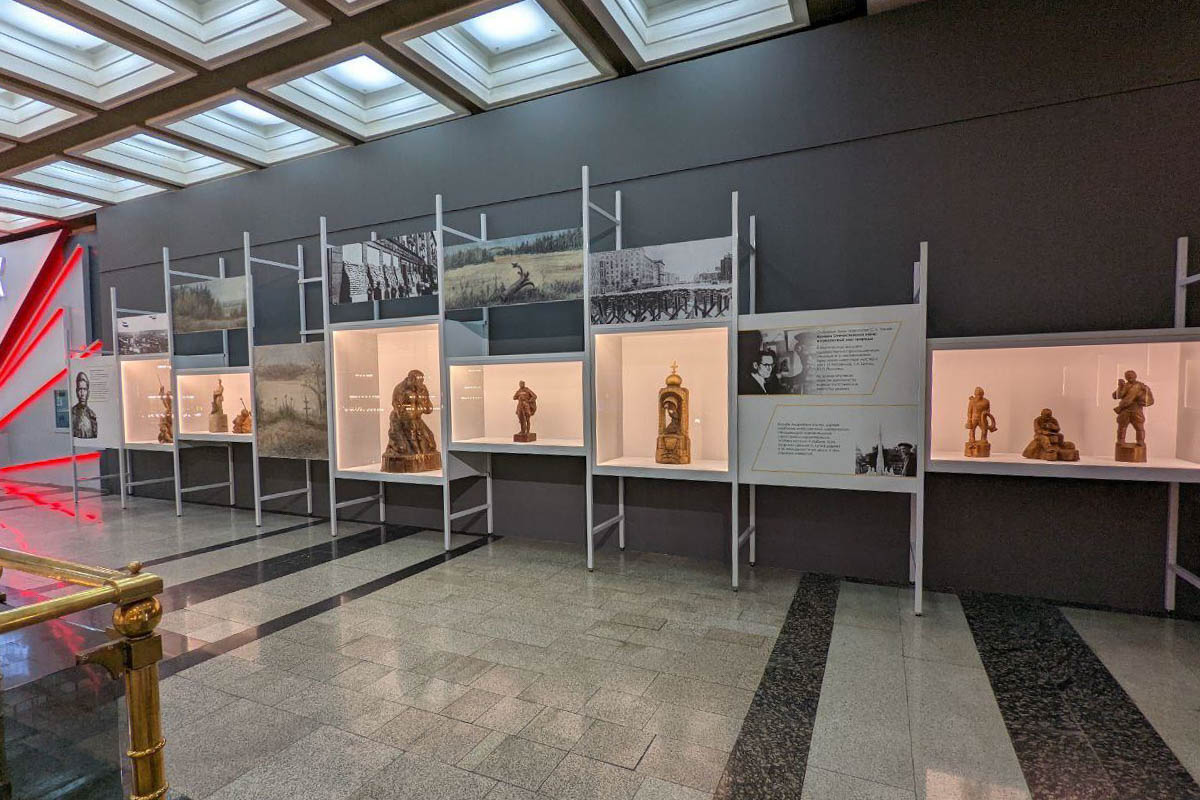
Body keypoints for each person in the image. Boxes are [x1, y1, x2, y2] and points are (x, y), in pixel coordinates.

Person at [71, 371, 98, 439]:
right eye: (80, 389)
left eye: (84, 389)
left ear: (88, 393)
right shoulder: (71, 413)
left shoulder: (92, 415)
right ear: (76, 392)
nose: (82, 394)